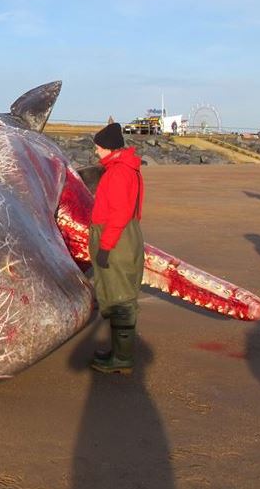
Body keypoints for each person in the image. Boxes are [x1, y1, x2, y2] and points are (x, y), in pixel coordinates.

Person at [88, 122, 145, 374]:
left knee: (121, 298)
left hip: (117, 239)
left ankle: (122, 359)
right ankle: (118, 352)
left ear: (109, 148)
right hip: (121, 235)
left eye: (98, 148)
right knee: (115, 293)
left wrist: (105, 247)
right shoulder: (122, 168)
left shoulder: (119, 172)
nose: (96, 153)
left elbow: (120, 213)